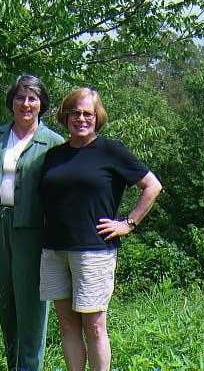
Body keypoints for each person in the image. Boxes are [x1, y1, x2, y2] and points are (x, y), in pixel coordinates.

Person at [39, 87, 162, 371]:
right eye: (75, 113)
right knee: (67, 324)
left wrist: (128, 223)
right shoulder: (54, 155)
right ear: (65, 115)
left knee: (94, 325)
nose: (81, 119)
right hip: (55, 249)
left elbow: (152, 186)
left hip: (94, 250)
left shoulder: (111, 150)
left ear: (97, 117)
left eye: (87, 114)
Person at [0, 75, 64, 371]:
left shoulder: (53, 143)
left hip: (32, 231)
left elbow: (61, 197)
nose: (26, 104)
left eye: (32, 98)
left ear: (42, 104)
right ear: (11, 102)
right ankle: (12, 363)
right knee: (5, 300)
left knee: (32, 306)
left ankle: (28, 367)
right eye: (20, 98)